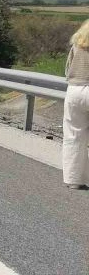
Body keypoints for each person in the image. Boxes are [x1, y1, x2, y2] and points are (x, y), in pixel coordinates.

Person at [61, 19, 89, 190]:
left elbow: (67, 69)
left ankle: (73, 180)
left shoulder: (77, 45)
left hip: (74, 91)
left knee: (73, 136)